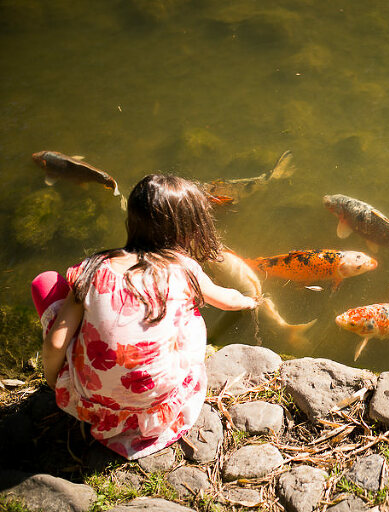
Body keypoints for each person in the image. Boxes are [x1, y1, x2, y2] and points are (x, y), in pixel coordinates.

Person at [30, 174, 259, 460]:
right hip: (156, 405)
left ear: (131, 221)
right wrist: (250, 301)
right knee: (191, 314)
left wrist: (58, 384)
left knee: (46, 281)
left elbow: (55, 343)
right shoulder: (183, 270)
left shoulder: (93, 267)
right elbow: (227, 300)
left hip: (91, 400)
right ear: (188, 231)